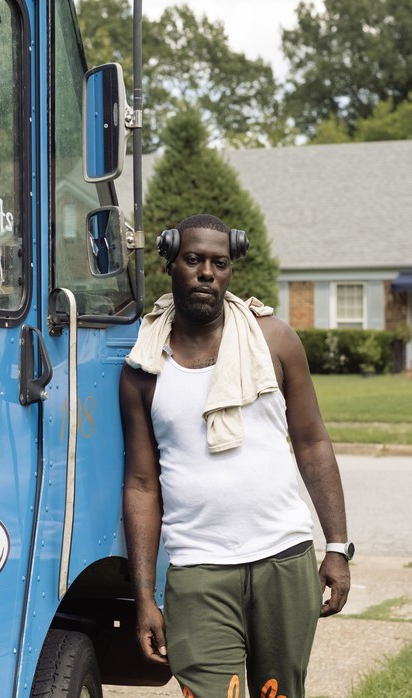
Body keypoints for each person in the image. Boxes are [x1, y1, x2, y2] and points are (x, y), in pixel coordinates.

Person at [119, 214, 352, 698]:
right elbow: (142, 484)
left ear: (230, 271)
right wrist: (144, 596)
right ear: (171, 265)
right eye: (194, 260)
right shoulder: (144, 369)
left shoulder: (275, 342)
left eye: (219, 263)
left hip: (283, 560)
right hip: (198, 570)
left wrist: (336, 546)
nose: (207, 272)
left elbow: (312, 443)